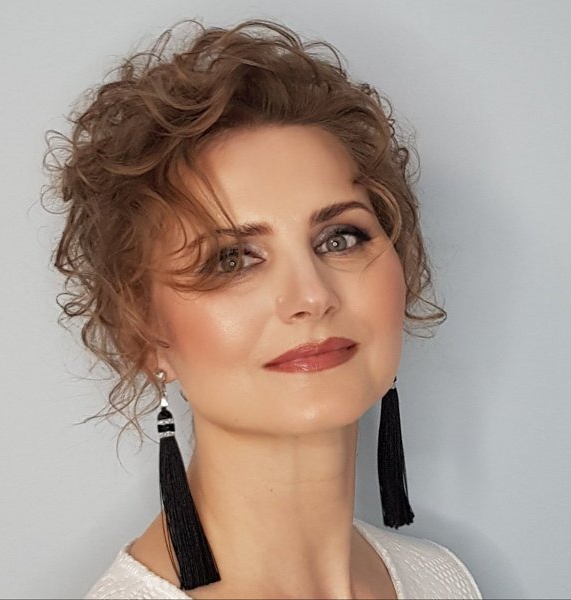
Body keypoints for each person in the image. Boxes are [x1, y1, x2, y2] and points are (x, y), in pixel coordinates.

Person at [45, 17, 482, 600]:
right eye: (232, 259)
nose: (312, 296)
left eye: (340, 238)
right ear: (144, 333)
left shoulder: (443, 580)